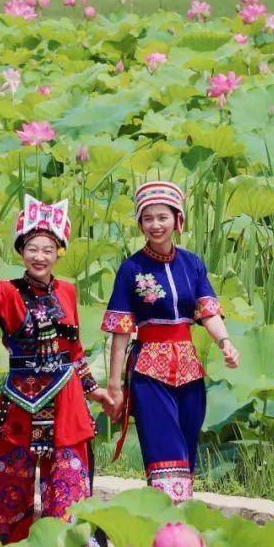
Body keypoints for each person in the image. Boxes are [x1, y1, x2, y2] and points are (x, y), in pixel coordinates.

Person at [0, 196, 115, 544]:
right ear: (21, 251)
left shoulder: (68, 291)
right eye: (32, 248)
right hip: (22, 401)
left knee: (68, 480)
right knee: (6, 480)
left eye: (48, 249)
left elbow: (74, 351)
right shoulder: (10, 293)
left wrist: (96, 391)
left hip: (66, 399)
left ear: (58, 252)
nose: (39, 256)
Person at [102, 180, 239, 502]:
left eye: (162, 217)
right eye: (148, 218)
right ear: (140, 223)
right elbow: (121, 332)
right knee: (165, 449)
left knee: (187, 448)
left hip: (190, 370)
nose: (155, 225)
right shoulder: (131, 269)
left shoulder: (192, 264)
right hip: (150, 372)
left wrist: (225, 343)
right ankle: (168, 518)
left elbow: (207, 312)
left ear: (178, 219)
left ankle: (178, 531)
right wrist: (114, 386)